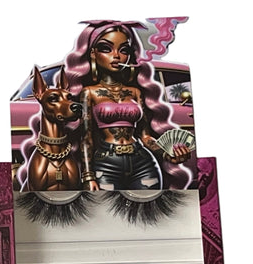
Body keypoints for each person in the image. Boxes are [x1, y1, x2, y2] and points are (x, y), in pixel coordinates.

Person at [64, 20, 192, 190]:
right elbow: (86, 138)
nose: (116, 55)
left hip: (142, 162)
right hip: (106, 163)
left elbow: (145, 137)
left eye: (124, 50)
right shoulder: (89, 92)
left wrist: (167, 153)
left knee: (149, 206)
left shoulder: (135, 92)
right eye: (106, 48)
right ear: (93, 53)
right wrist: (88, 175)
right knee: (106, 207)